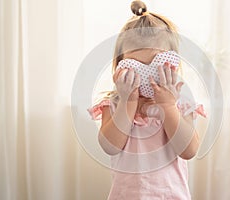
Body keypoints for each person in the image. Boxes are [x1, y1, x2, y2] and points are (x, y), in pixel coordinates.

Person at [88, 1, 206, 199]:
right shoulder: (114, 104)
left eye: (156, 66)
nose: (146, 77)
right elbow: (110, 146)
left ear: (172, 65)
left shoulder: (181, 101)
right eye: (136, 68)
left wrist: (168, 106)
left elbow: (189, 151)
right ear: (119, 67)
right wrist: (128, 102)